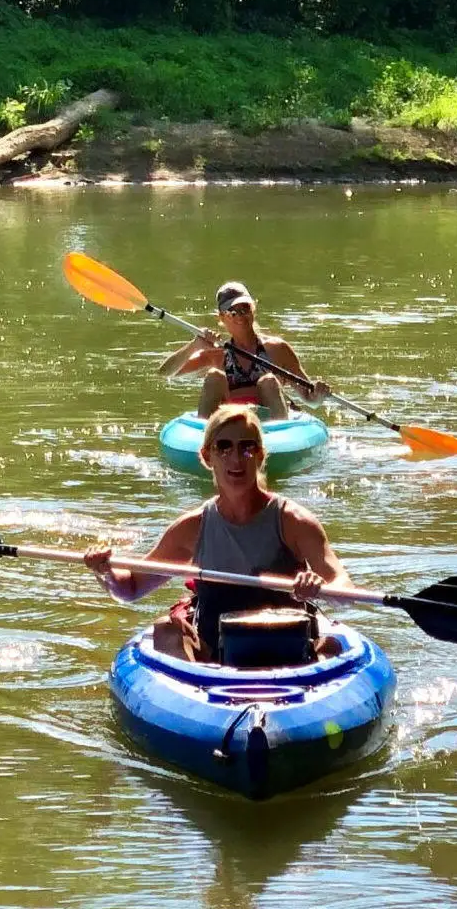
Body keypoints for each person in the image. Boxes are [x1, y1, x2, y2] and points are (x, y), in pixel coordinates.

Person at [82, 405, 348, 663]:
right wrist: (105, 571)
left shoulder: (294, 521)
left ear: (260, 456)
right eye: (224, 447)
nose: (235, 458)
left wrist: (318, 588)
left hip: (288, 648)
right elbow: (131, 588)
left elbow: (343, 586)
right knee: (167, 631)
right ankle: (196, 698)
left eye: (247, 447)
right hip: (214, 660)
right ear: (207, 456)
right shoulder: (192, 528)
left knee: (333, 647)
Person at [156, 280, 330, 421]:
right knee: (214, 377)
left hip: (269, 426)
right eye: (232, 311)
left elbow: (310, 399)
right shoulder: (215, 353)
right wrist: (195, 345)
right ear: (221, 317)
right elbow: (165, 373)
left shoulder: (277, 349)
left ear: (253, 310)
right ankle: (209, 443)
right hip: (229, 424)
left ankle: (277, 436)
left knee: (268, 381)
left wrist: (318, 395)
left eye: (244, 308)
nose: (240, 316)